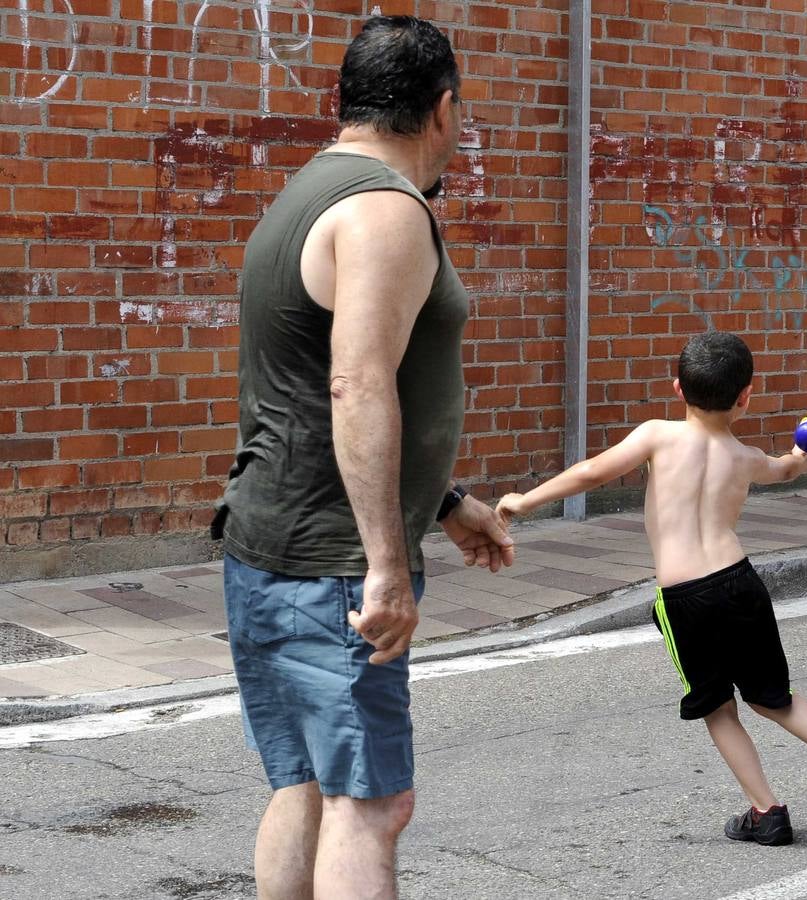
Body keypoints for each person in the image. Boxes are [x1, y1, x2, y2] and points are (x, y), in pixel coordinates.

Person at [211, 16, 514, 899]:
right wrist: (385, 563)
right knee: (370, 806)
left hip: (268, 540)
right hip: (334, 566)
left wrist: (446, 505)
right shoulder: (385, 212)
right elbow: (354, 385)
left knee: (303, 784)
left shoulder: (306, 190)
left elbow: (313, 387)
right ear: (444, 110)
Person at [497, 331, 807, 847]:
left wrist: (524, 502)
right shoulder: (744, 456)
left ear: (677, 388)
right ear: (747, 395)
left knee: (718, 708)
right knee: (774, 697)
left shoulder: (658, 435)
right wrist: (806, 443)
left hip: (685, 599)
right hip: (741, 581)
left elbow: (592, 472)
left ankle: (766, 811)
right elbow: (790, 467)